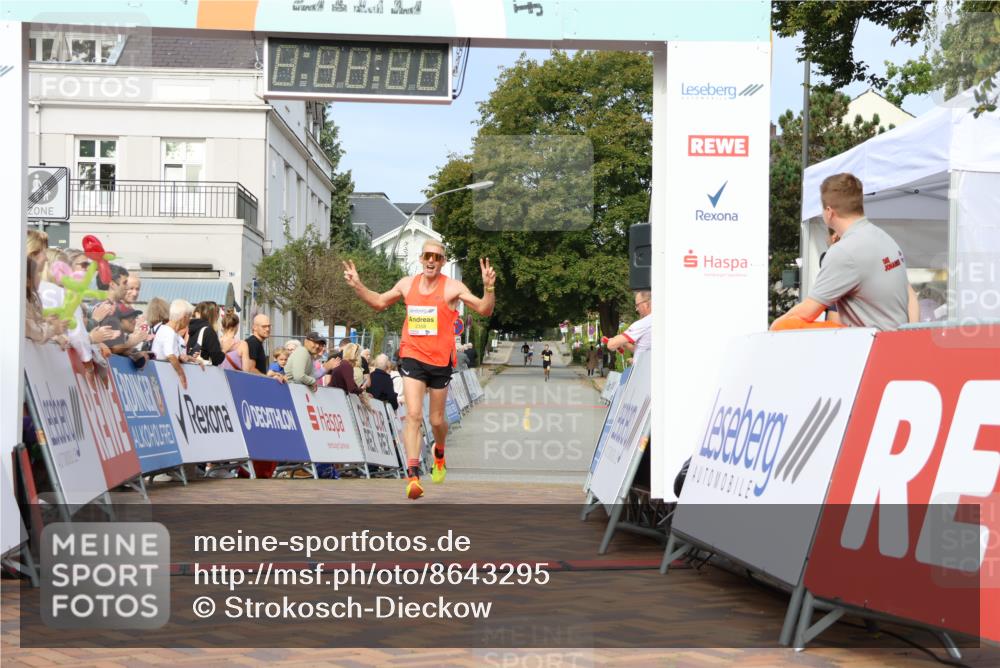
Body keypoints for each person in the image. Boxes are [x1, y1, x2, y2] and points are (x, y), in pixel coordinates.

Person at [344, 241, 495, 500]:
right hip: (412, 356)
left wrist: (489, 288)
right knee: (413, 415)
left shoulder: (452, 287)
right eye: (427, 255)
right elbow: (379, 302)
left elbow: (483, 308)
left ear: (443, 262)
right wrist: (358, 285)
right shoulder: (406, 284)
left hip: (440, 363)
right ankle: (412, 475)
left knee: (436, 420)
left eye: (437, 257)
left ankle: (439, 452)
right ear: (420, 258)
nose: (431, 260)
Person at [772, 173, 916, 331]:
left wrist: (775, 326)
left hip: (871, 349)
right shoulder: (885, 239)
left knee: (784, 325)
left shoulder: (845, 251)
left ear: (829, 211)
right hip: (894, 342)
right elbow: (910, 296)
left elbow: (807, 313)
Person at [151, 299, 194, 389]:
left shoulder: (171, 332)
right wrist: (182, 375)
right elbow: (170, 355)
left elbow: (173, 355)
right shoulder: (168, 332)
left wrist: (188, 358)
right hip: (163, 381)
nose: (190, 320)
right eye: (190, 317)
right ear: (184, 317)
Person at [238, 314, 285, 382]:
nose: (268, 329)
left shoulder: (257, 342)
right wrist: (268, 378)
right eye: (264, 326)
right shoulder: (253, 342)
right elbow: (250, 369)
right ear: (254, 327)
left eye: (269, 326)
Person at [605, 290, 653, 356]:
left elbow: (611, 345)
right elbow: (640, 349)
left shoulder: (643, 324)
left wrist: (613, 341)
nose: (636, 309)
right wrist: (624, 343)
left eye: (637, 305)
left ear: (645, 304)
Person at [186, 301, 225, 366]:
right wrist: (224, 350)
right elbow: (217, 358)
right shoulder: (208, 331)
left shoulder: (192, 329)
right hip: (204, 371)